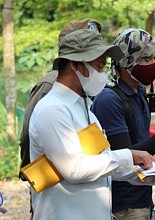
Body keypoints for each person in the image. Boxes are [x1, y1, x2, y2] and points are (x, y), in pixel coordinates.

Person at [29, 29, 155, 220]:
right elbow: (74, 169)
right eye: (99, 67)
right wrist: (129, 156)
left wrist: (145, 172)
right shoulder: (52, 110)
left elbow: (101, 162)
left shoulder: (84, 108)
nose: (103, 74)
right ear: (76, 65)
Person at [91, 28, 155, 220]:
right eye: (145, 59)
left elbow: (142, 146)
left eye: (154, 57)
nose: (153, 64)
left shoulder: (138, 91)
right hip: (123, 204)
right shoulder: (109, 100)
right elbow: (124, 158)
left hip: (143, 196)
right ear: (126, 63)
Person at [19, 18, 102, 180]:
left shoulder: (83, 88)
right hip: (53, 182)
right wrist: (34, 178)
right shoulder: (50, 86)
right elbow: (29, 137)